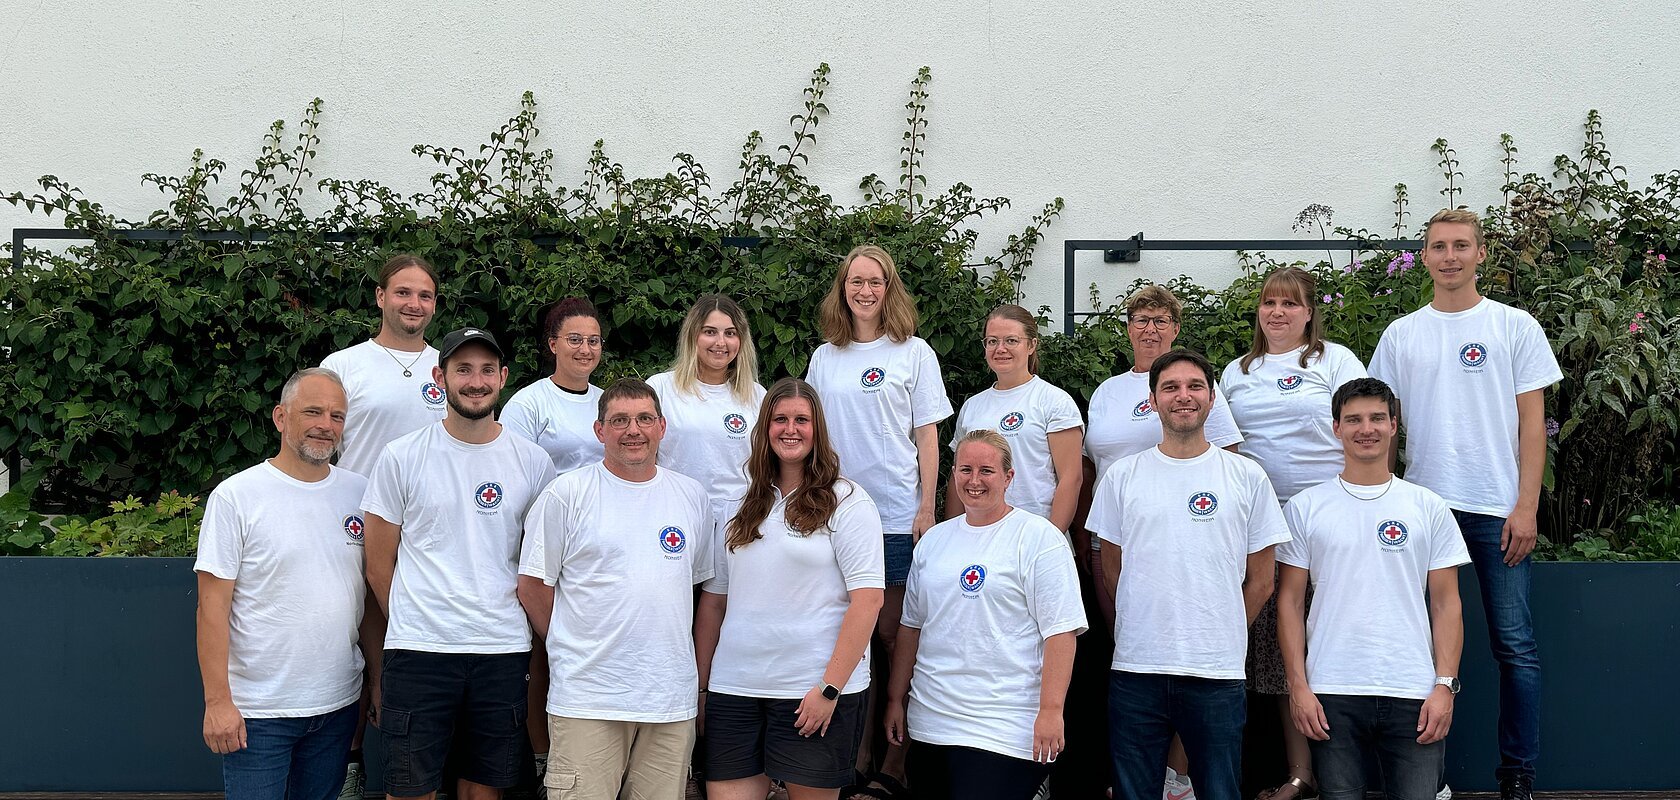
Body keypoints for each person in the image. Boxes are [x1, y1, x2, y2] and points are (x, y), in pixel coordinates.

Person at [1369, 209, 1562, 800]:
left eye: (1460, 246)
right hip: (1423, 511)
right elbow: (1381, 424)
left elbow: (1534, 423)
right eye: (1438, 247)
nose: (1449, 256)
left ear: (1481, 254)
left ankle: (1518, 775)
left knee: (1515, 646)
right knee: (1418, 648)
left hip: (1498, 511)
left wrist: (1526, 505)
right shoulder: (1402, 334)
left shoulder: (1514, 326)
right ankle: (1430, 781)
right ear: (1424, 257)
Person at [361, 328, 556, 800]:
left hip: (501, 650)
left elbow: (539, 560)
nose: (476, 380)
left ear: (503, 377)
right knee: (410, 790)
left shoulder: (533, 462)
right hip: (419, 651)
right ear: (439, 376)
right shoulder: (401, 456)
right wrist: (415, 617)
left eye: (487, 369)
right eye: (463, 369)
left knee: (482, 789)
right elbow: (378, 564)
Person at [1087, 349, 1291, 800]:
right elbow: (1113, 569)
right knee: (1133, 792)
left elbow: (1261, 579)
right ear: (1153, 399)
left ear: (1212, 397)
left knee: (1219, 790)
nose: (1184, 396)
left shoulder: (1247, 477)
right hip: (1137, 666)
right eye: (1171, 387)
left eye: (1195, 386)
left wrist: (1221, 627)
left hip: (1216, 671)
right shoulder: (1122, 477)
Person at [1079, 285, 1244, 799]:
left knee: (1185, 651)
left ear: (1176, 326)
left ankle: (1177, 779)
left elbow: (1228, 460)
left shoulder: (1191, 385)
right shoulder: (1107, 392)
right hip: (1120, 541)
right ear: (1127, 327)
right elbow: (1089, 467)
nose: (1149, 327)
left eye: (1160, 319)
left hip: (1191, 546)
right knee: (1135, 652)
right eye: (1139, 318)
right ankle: (1146, 776)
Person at [517, 378, 715, 800]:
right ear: (599, 430)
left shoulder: (691, 497)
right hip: (589, 698)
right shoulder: (566, 494)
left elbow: (693, 588)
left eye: (645, 418)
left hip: (668, 700)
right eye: (620, 420)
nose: (633, 430)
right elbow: (533, 584)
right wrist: (575, 642)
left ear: (662, 427)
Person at [1276, 378, 1470, 800]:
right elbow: (1289, 603)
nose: (1367, 428)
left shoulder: (1428, 507)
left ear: (1394, 425)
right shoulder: (1306, 507)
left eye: (1377, 418)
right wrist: (1299, 688)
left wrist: (1444, 686)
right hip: (1331, 693)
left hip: (1414, 693)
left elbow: (1446, 603)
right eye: (1354, 419)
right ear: (1336, 428)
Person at [804, 244, 952, 798]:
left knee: (891, 635)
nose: (865, 291)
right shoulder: (825, 356)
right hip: (835, 516)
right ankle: (852, 759)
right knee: (847, 639)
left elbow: (928, 435)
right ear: (843, 289)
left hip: (892, 517)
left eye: (876, 282)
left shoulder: (914, 352)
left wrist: (926, 507)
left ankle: (894, 763)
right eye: (855, 282)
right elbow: (812, 438)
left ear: (890, 290)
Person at [694, 377, 886, 800]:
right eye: (779, 419)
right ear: (764, 430)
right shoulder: (740, 504)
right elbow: (714, 603)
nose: (790, 429)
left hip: (812, 692)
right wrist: (704, 688)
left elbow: (868, 600)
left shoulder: (848, 501)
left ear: (818, 429)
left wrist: (829, 688)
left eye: (802, 419)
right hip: (736, 689)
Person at [1219, 267, 1367, 800]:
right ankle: (1300, 775)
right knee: (1283, 655)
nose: (1277, 312)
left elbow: (1367, 426)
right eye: (1268, 303)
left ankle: (1347, 772)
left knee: (1334, 637)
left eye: (1290, 304)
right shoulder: (1236, 372)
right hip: (1263, 528)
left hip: (1332, 518)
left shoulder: (1335, 359)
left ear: (1309, 313)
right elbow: (1226, 451)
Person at [195, 368, 368, 800]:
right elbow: (211, 608)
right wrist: (217, 703)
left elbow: (369, 600)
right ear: (279, 417)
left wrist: (375, 684)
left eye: (337, 416)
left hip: (337, 705)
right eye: (312, 411)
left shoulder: (361, 494)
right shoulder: (237, 496)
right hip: (258, 714)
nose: (326, 425)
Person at [886, 430, 1086, 800]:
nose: (974, 480)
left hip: (1004, 728)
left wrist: (1051, 711)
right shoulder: (933, 541)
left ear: (1009, 478)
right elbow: (911, 628)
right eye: (965, 469)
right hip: (931, 723)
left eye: (986, 471)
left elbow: (1060, 633)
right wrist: (896, 698)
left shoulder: (1039, 539)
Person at [318, 253, 446, 799]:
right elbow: (320, 439)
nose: (413, 304)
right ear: (380, 297)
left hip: (430, 532)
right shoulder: (344, 364)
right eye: (402, 293)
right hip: (352, 523)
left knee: (412, 654)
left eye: (424, 295)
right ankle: (349, 766)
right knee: (348, 643)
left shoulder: (450, 364)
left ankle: (416, 772)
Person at [946, 304, 1084, 532]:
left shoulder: (1054, 401)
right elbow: (958, 477)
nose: (1000, 349)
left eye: (1011, 340)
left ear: (1031, 345)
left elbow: (1071, 479)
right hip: (979, 534)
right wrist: (952, 533)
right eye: (992, 341)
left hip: (1034, 532)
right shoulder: (972, 406)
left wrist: (1050, 539)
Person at [647, 293, 768, 513]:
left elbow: (768, 466)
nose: (721, 342)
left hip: (739, 520)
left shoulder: (757, 396)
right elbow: (643, 457)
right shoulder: (660, 389)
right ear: (693, 335)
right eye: (710, 332)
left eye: (730, 333)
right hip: (676, 513)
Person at [502, 297, 608, 474]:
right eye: (574, 340)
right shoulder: (527, 405)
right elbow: (512, 473)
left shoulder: (607, 402)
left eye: (593, 341)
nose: (585, 350)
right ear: (553, 345)